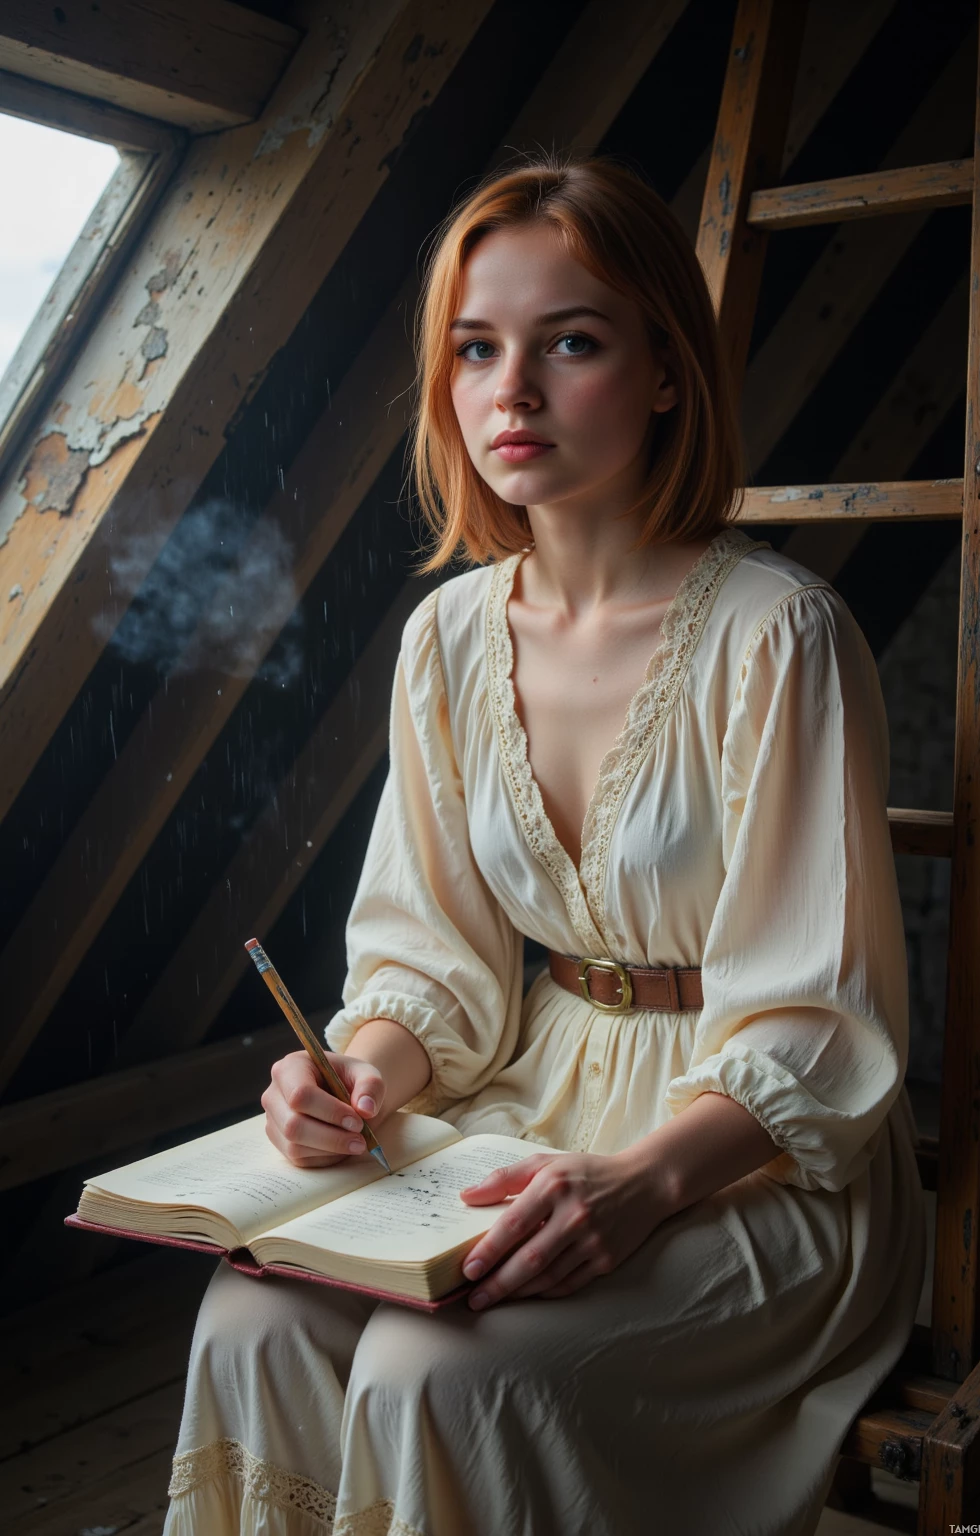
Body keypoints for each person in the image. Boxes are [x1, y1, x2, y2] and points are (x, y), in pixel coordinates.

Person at [163, 155, 926, 1536]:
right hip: (525, 1109)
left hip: (747, 1155)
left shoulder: (778, 635)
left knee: (428, 1371)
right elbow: (429, 968)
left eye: (570, 341)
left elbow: (821, 1018)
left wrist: (639, 1185)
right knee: (248, 1325)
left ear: (666, 372)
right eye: (476, 349)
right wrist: (354, 1081)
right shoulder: (446, 637)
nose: (509, 391)